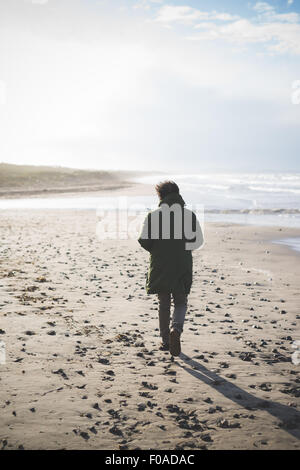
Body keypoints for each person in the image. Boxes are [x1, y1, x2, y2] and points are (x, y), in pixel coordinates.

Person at [138, 181, 203, 356]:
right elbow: (197, 241)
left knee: (164, 303)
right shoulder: (189, 216)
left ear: (161, 196)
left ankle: (166, 340)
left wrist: (159, 249)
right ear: (178, 194)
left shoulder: (153, 216)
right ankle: (177, 329)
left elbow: (144, 241)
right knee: (181, 302)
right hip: (182, 264)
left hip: (160, 264)